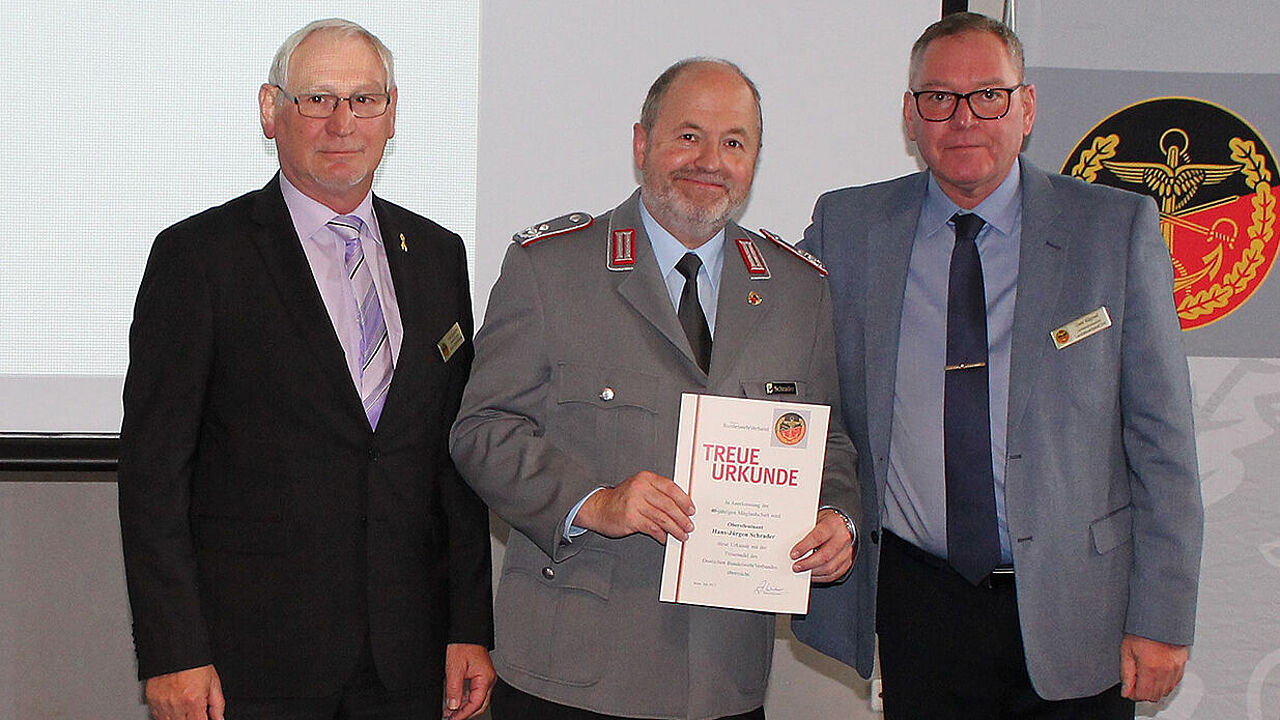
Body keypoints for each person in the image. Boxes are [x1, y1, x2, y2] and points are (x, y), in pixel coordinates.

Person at [791, 11, 1204, 719]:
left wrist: (1163, 615)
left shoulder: (1114, 229)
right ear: (910, 115)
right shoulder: (849, 228)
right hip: (920, 604)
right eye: (938, 98)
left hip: (1080, 606)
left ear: (1027, 107)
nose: (963, 118)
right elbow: (792, 375)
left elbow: (1163, 443)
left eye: (989, 95)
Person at [448, 58, 859, 720]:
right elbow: (482, 432)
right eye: (688, 135)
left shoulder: (798, 290)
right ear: (643, 144)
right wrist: (594, 501)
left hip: (722, 678)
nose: (710, 161)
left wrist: (838, 518)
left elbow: (827, 439)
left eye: (734, 142)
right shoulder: (550, 268)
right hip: (574, 674)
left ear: (754, 160)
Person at [118, 18, 494, 720]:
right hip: (251, 663)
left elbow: (453, 459)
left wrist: (469, 627)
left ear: (392, 114)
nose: (343, 122)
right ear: (271, 110)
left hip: (409, 662)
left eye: (366, 100)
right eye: (317, 99)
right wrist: (173, 650)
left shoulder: (439, 257)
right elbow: (153, 475)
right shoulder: (199, 258)